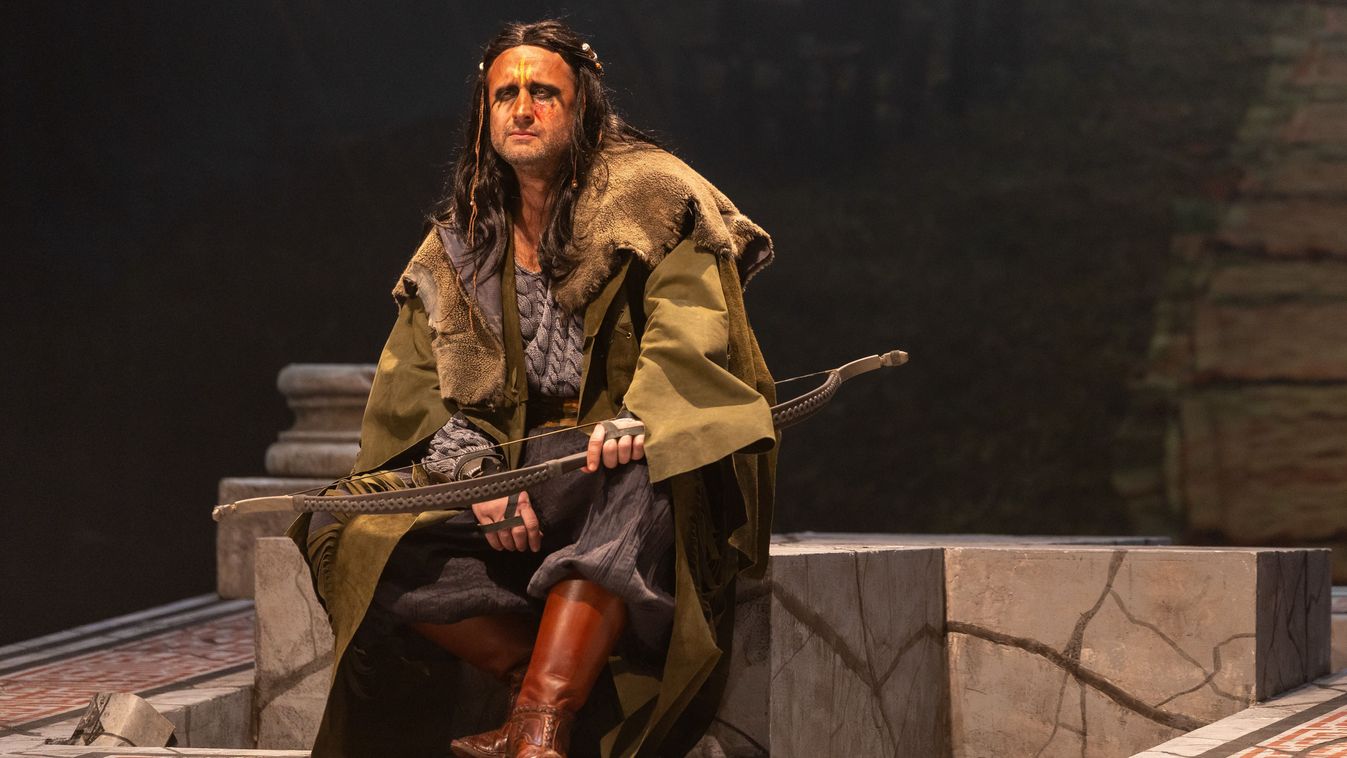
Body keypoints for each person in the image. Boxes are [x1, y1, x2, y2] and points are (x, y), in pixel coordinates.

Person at [289, 19, 778, 758]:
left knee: (644, 468)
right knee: (345, 524)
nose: (521, 108)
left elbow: (690, 323)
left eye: (543, 92)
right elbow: (415, 390)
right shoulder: (460, 242)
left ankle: (542, 727)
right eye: (504, 95)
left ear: (581, 107)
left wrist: (640, 416)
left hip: (611, 459)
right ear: (484, 116)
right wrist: (474, 472)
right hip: (518, 465)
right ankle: (532, 688)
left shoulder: (652, 195)